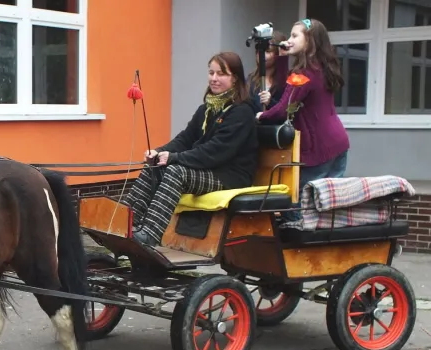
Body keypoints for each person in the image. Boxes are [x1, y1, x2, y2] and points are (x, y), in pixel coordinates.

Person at [121, 51, 259, 247]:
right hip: (209, 169)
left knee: (176, 172)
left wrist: (174, 157)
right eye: (211, 73)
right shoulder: (206, 109)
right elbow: (185, 139)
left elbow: (216, 152)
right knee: (154, 167)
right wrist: (159, 152)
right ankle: (126, 223)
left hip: (230, 175)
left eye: (221, 74)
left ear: (235, 78)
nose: (214, 78)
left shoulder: (242, 112)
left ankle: (150, 234)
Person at [256, 18, 349, 221]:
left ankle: (300, 248)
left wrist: (261, 115)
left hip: (318, 148)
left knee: (298, 206)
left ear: (310, 41)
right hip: (338, 143)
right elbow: (287, 97)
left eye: (295, 35)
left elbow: (282, 110)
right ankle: (324, 248)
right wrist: (282, 57)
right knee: (327, 206)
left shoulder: (303, 74)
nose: (289, 40)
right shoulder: (321, 68)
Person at [247, 30, 290, 115]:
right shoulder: (250, 79)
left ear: (277, 52)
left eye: (268, 51)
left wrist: (271, 103)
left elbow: (288, 112)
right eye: (259, 50)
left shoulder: (287, 80)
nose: (261, 54)